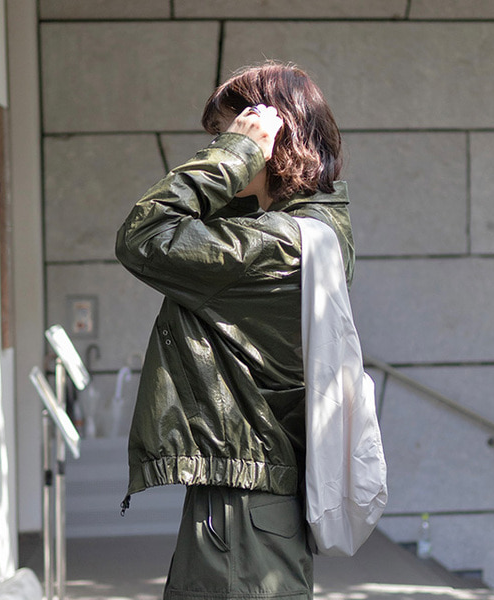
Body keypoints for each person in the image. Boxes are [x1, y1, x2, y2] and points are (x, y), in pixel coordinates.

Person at [116, 62, 367, 600]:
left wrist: (236, 153)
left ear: (275, 141)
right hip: (252, 502)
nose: (219, 147)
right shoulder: (310, 232)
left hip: (242, 511)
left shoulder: (278, 245)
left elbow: (145, 236)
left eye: (228, 133)